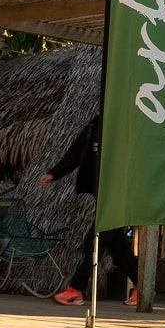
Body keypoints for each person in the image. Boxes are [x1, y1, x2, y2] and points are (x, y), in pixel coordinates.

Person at [38, 115, 139, 307]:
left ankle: (76, 289)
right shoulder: (97, 123)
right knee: (118, 247)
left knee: (95, 242)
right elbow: (77, 152)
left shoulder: (130, 123)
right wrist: (54, 173)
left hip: (120, 194)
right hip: (103, 193)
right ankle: (143, 287)